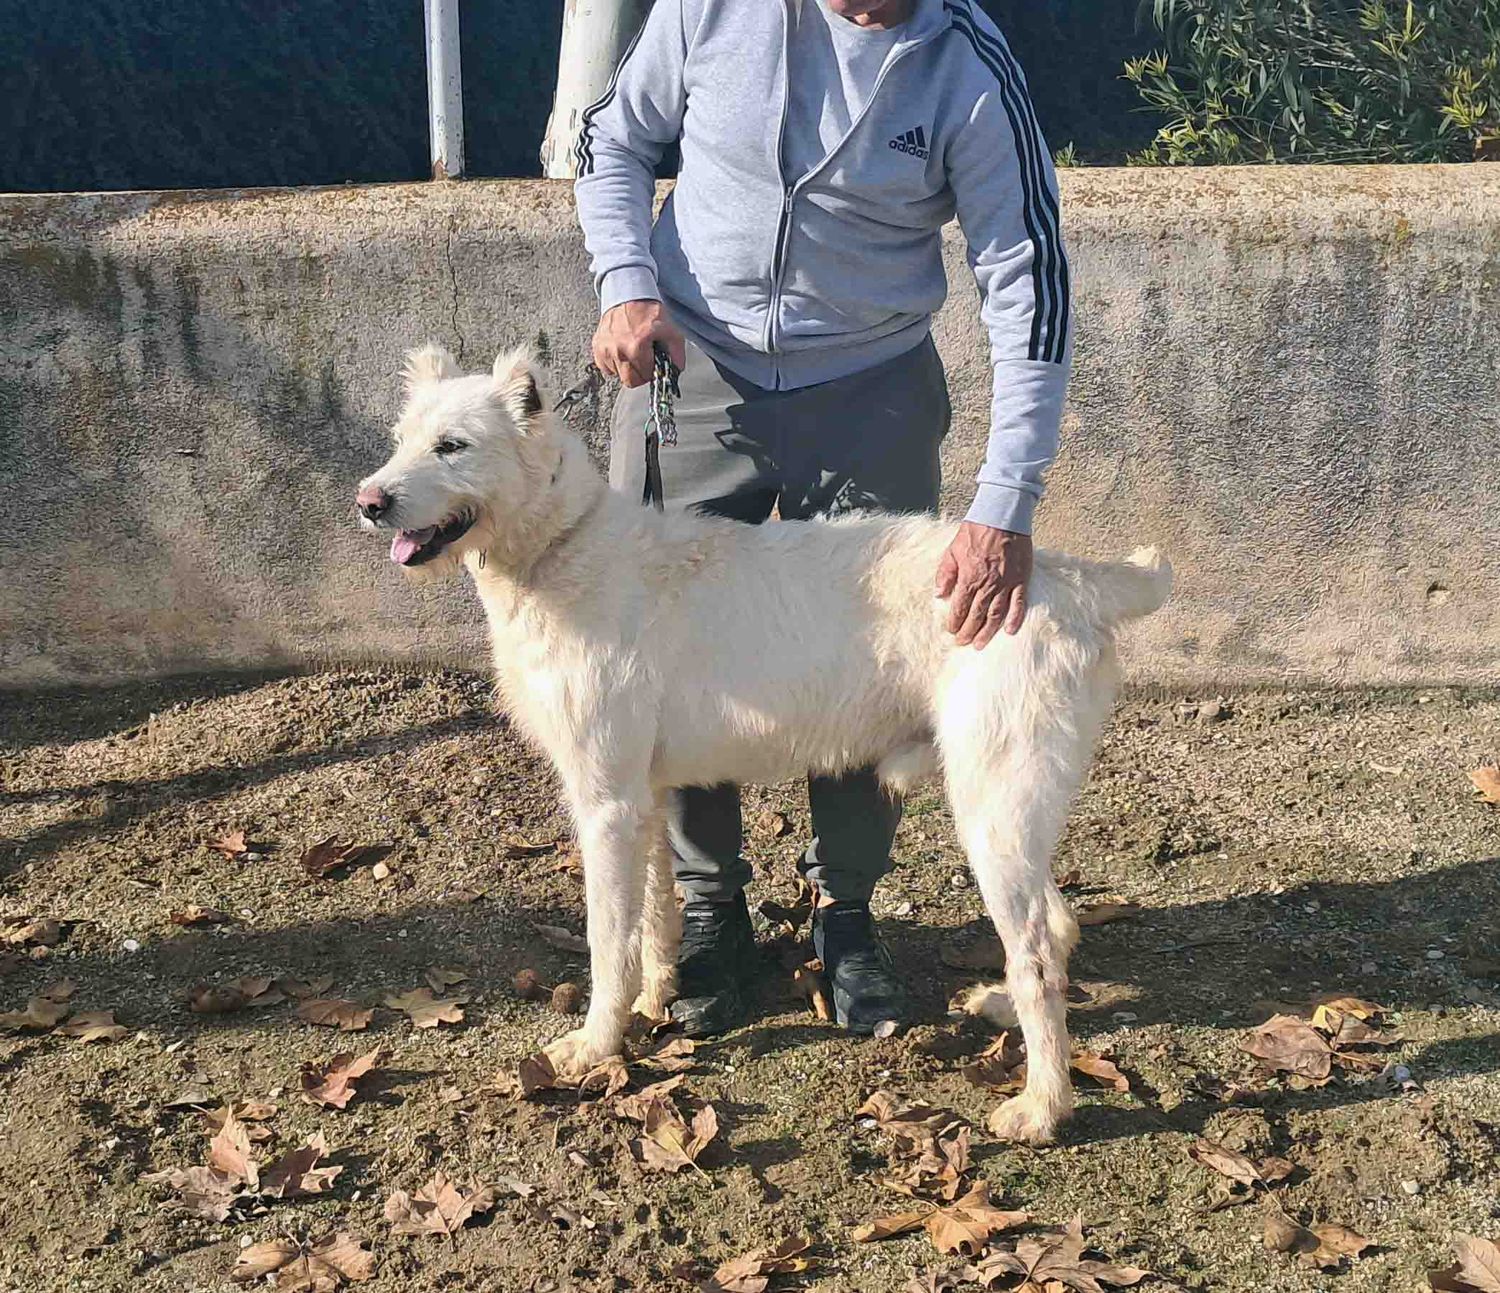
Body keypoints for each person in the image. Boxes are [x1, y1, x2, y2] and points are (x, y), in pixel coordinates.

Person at [572, 0, 1071, 1038]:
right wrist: (625, 282)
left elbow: (1026, 273)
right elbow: (612, 134)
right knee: (670, 652)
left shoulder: (966, 65)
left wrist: (1006, 498)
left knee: (877, 656)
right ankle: (712, 913)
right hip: (692, 363)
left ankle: (848, 912)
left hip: (870, 381)